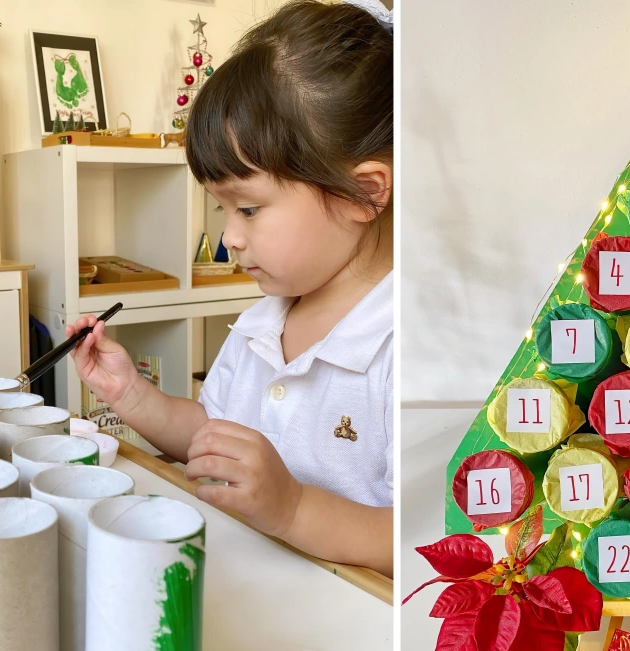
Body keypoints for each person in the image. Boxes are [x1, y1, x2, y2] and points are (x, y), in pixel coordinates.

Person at [67, 0, 393, 576]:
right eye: (222, 210)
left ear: (361, 193)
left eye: (247, 208)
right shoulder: (266, 319)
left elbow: (422, 542)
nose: (230, 237)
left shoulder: (400, 345)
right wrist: (134, 397)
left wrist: (292, 508)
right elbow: (211, 434)